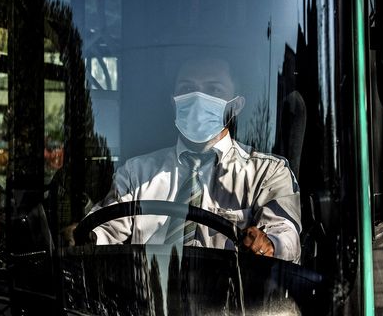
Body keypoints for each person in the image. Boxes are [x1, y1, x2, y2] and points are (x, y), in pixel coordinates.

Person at [86, 57, 301, 263]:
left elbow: (285, 235)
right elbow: (104, 231)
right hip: (147, 295)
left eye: (213, 89)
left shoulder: (267, 173)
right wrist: (87, 237)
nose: (198, 97)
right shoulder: (136, 173)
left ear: (235, 106)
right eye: (187, 89)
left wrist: (268, 244)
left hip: (231, 298)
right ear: (173, 101)